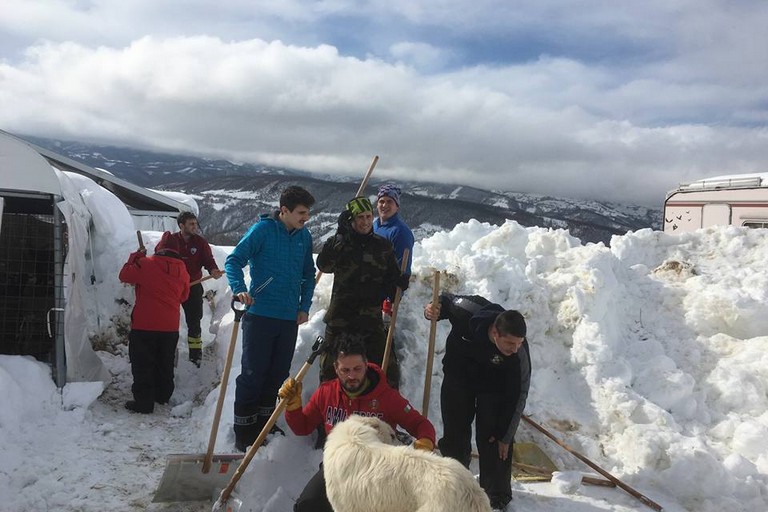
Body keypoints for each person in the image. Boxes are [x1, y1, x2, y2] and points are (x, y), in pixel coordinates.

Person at [278, 338, 436, 512]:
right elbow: (303, 427)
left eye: (357, 369)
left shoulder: (386, 396)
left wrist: (425, 442)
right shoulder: (326, 392)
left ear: (366, 365)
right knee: (307, 506)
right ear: (336, 369)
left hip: (378, 473)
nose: (352, 376)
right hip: (338, 468)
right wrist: (293, 406)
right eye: (345, 370)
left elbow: (421, 424)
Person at [224, 185, 317, 452]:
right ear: (284, 211)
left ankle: (265, 424)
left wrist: (304, 305)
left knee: (277, 375)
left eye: (307, 213)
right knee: (253, 375)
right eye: (301, 213)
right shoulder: (262, 231)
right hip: (260, 314)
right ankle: (244, 430)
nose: (306, 218)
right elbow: (234, 260)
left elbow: (308, 275)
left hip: (288, 318)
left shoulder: (304, 236)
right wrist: (239, 288)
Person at [424, 293, 531, 511]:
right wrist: (432, 310)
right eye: (510, 343)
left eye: (519, 344)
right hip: (458, 377)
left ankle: (496, 496)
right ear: (495, 332)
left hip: (493, 388)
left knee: (495, 440)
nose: (515, 349)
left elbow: (519, 394)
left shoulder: (519, 355)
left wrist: (505, 436)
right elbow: (445, 299)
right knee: (455, 433)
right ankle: (456, 484)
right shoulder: (468, 311)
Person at [315, 196, 409, 387]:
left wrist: (399, 282)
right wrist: (337, 240)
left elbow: (391, 279)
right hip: (340, 317)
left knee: (385, 370)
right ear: (351, 220)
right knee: (330, 372)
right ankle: (329, 411)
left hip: (370, 319)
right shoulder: (340, 244)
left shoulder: (383, 246)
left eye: (368, 216)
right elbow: (324, 265)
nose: (366, 222)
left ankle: (382, 411)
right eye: (360, 217)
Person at [118, 231, 190, 414]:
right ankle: (162, 395)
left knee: (143, 363)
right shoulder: (182, 269)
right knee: (164, 362)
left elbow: (125, 275)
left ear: (159, 248)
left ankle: (144, 402)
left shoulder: (146, 263)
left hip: (145, 324)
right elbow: (184, 296)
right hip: (170, 326)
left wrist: (136, 256)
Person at [171, 211, 225, 367]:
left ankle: (195, 356)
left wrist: (213, 270)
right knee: (169, 322)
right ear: (181, 226)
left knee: (194, 322)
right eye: (191, 224)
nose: (195, 227)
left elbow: (208, 259)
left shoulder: (200, 243)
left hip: (193, 286)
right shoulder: (172, 241)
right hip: (172, 287)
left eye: (196, 223)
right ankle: (170, 354)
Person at [373, 183, 415, 326]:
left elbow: (402, 272)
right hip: (370, 289)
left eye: (389, 201)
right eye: (381, 201)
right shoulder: (375, 225)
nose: (384, 205)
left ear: (397, 205)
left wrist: (390, 301)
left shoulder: (400, 232)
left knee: (380, 338)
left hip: (384, 296)